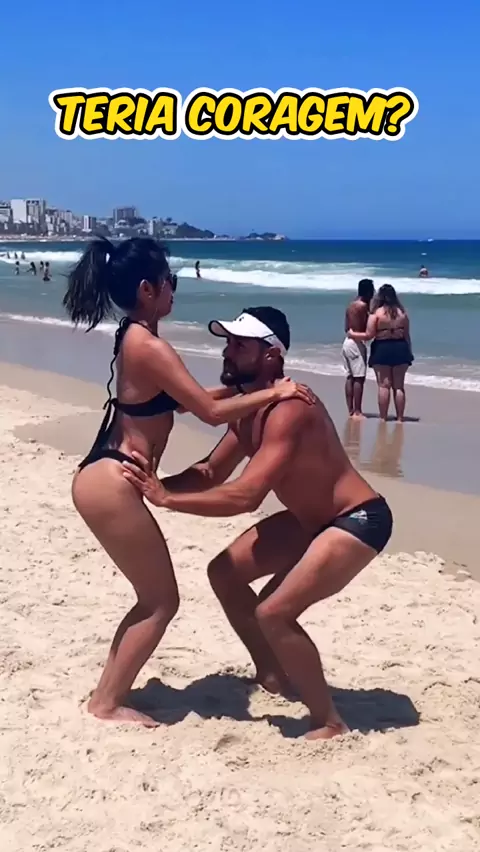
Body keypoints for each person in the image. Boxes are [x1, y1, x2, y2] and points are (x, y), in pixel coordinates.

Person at [63, 237, 314, 727]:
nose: (174, 289)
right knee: (160, 602)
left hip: (106, 476)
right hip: (111, 480)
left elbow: (184, 400)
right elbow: (209, 412)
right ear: (147, 289)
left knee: (154, 598)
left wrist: (247, 388)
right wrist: (276, 392)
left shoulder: (135, 336)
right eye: (169, 282)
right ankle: (107, 703)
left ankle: (108, 695)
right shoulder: (149, 345)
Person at [123, 306, 393, 741]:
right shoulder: (248, 408)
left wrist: (167, 499)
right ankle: (272, 672)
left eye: (239, 345)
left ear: (271, 356)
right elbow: (211, 472)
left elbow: (246, 496)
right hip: (309, 521)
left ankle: (329, 721)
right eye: (228, 343)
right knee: (224, 573)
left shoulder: (290, 410)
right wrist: (149, 485)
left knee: (274, 612)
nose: (227, 352)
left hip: (357, 519)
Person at [349, 284, 413, 422]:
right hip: (400, 347)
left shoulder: (377, 314)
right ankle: (400, 418)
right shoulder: (402, 313)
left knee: (384, 386)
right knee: (399, 387)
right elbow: (407, 335)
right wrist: (409, 351)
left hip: (382, 348)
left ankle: (383, 417)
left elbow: (369, 335)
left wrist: (353, 334)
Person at [342, 279, 374, 418]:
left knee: (350, 376)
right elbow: (367, 327)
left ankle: (350, 409)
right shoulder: (362, 306)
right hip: (357, 342)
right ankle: (357, 411)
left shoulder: (351, 305)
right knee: (359, 378)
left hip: (347, 341)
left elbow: (346, 327)